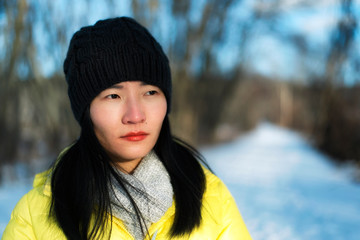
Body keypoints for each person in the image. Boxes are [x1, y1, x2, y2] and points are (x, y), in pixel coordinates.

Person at [2, 17, 252, 240]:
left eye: (150, 92)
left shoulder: (210, 198)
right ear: (85, 110)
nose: (135, 115)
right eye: (113, 96)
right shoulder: (34, 216)